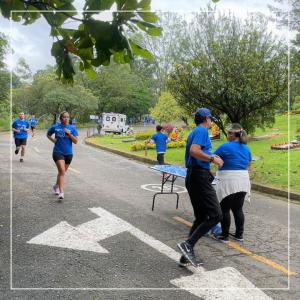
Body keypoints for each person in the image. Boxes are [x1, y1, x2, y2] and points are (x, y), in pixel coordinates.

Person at [177, 108, 223, 267]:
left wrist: (211, 157)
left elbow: (196, 152)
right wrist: (212, 158)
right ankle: (187, 245)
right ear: (205, 118)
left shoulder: (195, 131)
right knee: (216, 215)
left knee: (202, 217)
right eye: (211, 119)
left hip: (194, 176)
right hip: (199, 177)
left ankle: (185, 255)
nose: (212, 122)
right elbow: (194, 151)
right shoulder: (202, 131)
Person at [213, 123, 252, 243]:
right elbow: (249, 164)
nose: (227, 135)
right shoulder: (246, 148)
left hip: (228, 179)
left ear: (234, 134)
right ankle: (239, 235)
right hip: (243, 180)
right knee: (238, 209)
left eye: (229, 133)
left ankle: (224, 236)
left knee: (224, 209)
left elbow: (213, 159)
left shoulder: (224, 147)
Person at [47, 111, 78, 200]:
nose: (66, 118)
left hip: (68, 153)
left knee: (62, 172)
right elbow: (48, 134)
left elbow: (75, 141)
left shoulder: (72, 128)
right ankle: (61, 192)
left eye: (67, 117)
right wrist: (54, 141)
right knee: (62, 171)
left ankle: (56, 186)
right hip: (58, 152)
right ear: (61, 118)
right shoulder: (55, 127)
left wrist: (69, 134)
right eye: (64, 117)